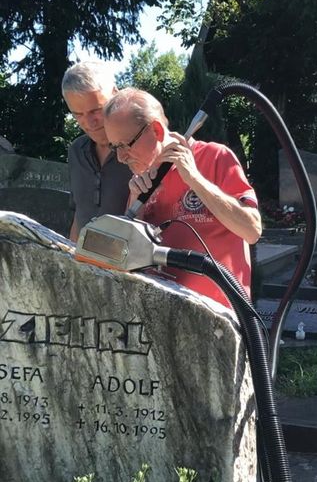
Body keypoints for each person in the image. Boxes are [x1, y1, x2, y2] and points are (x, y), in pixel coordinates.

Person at [102, 87, 262, 308]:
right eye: (114, 147)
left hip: (220, 321)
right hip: (164, 319)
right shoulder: (142, 183)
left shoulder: (215, 157)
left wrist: (194, 179)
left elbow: (252, 230)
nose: (120, 157)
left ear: (156, 131)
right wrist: (135, 208)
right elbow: (124, 258)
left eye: (125, 145)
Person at [62, 60, 132, 241]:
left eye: (96, 110)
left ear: (116, 95)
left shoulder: (142, 149)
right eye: (78, 114)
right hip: (84, 264)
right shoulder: (76, 151)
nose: (88, 123)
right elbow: (79, 215)